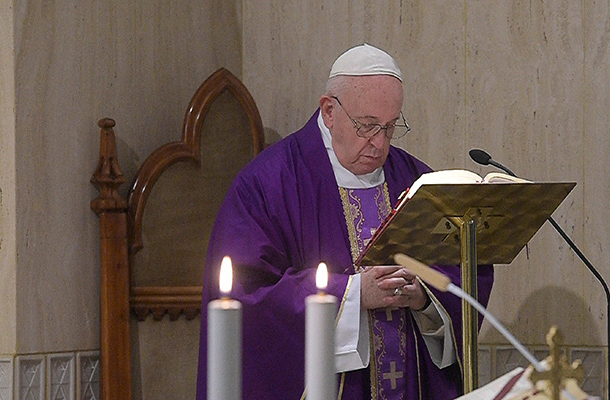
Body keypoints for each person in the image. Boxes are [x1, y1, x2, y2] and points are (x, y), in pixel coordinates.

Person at [195, 44, 495, 399]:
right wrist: (352, 295)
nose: (380, 143)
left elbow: (464, 272)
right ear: (329, 110)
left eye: (390, 127)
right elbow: (247, 294)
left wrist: (425, 298)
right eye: (367, 126)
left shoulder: (415, 181)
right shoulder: (268, 184)